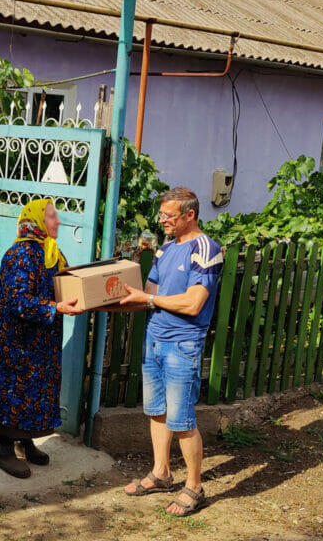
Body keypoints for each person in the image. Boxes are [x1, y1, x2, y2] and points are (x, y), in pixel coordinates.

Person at [110, 187, 223, 517]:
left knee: (183, 419)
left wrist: (147, 300)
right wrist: (99, 305)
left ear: (189, 215)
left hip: (183, 345)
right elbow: (147, 295)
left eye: (168, 216)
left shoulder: (206, 250)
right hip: (155, 341)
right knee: (157, 411)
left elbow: (193, 302)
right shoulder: (165, 250)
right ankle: (161, 473)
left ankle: (195, 486)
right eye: (161, 215)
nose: (162, 222)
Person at [0, 199, 83, 479]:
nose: (57, 221)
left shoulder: (52, 253)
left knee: (35, 391)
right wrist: (55, 308)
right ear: (36, 221)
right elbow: (16, 300)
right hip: (15, 339)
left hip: (40, 340)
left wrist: (82, 296)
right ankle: (3, 448)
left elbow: (65, 283)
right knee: (13, 390)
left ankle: (25, 441)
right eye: (51, 217)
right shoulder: (21, 254)